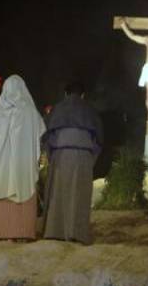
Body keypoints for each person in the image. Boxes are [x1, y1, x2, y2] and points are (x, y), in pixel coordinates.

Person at [0, 75, 45, 240]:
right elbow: (38, 134)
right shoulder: (31, 113)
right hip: (21, 169)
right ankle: (20, 231)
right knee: (22, 188)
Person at [41, 81, 103, 244]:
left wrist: (51, 155)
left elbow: (46, 136)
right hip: (83, 156)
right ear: (83, 95)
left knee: (58, 194)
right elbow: (98, 140)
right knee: (79, 195)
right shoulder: (90, 111)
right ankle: (76, 233)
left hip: (60, 155)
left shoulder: (58, 109)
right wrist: (91, 159)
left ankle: (55, 231)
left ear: (66, 94)